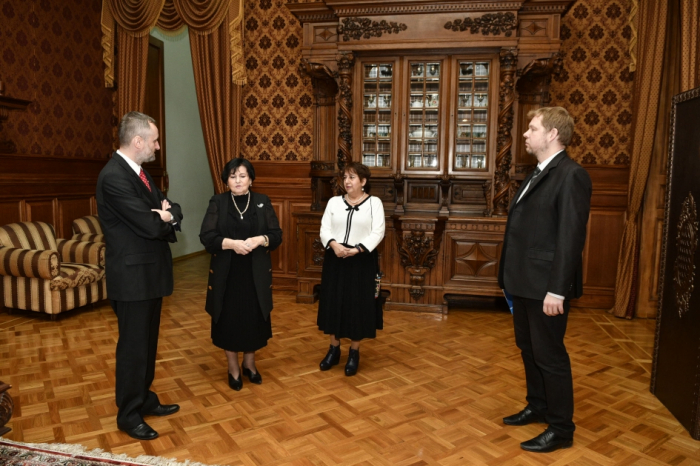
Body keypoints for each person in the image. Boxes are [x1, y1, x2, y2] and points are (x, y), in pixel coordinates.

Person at [498, 107, 592, 453]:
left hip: (545, 288)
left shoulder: (571, 175)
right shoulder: (538, 172)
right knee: (529, 350)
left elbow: (570, 238)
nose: (526, 133)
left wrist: (557, 289)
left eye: (532, 128)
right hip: (523, 283)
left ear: (552, 134)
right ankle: (538, 405)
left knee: (550, 356)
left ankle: (561, 428)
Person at [96, 111, 183, 441]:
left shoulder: (140, 173)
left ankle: (144, 398)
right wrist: (161, 216)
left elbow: (172, 208)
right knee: (133, 348)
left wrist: (166, 214)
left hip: (149, 275)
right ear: (137, 141)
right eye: (155, 140)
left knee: (147, 344)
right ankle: (128, 414)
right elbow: (149, 224)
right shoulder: (114, 177)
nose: (158, 146)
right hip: (132, 279)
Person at [199, 158, 282, 391]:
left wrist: (260, 239)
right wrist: (230, 244)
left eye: (242, 176)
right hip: (228, 275)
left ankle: (250, 364)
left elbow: (276, 235)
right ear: (226, 180)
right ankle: (233, 368)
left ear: (251, 179)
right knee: (229, 322)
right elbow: (207, 237)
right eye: (233, 176)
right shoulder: (218, 202)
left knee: (253, 321)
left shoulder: (262, 202)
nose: (237, 180)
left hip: (255, 275)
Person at [317, 162, 385, 376]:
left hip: (361, 261)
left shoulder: (375, 203)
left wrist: (357, 249)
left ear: (363, 182)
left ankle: (354, 352)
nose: (347, 181)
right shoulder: (334, 202)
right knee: (333, 302)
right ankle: (333, 348)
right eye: (345, 177)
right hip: (335, 259)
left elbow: (378, 232)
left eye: (352, 177)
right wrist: (334, 245)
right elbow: (324, 229)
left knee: (357, 305)